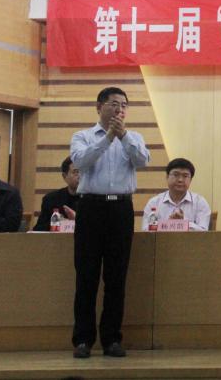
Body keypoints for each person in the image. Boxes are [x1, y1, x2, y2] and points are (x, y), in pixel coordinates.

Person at [69, 86, 150, 359]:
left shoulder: (134, 137)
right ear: (99, 106)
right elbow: (81, 162)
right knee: (86, 276)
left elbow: (142, 161)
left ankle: (112, 339)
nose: (120, 109)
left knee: (116, 277)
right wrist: (108, 139)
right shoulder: (82, 136)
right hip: (91, 208)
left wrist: (123, 136)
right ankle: (83, 340)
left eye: (124, 105)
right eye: (114, 103)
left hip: (121, 209)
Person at [141, 157, 212, 231]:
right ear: (167, 177)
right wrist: (169, 224)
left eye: (185, 176)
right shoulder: (154, 203)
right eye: (176, 175)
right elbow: (146, 230)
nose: (180, 180)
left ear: (190, 180)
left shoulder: (200, 202)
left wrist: (182, 223)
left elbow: (203, 231)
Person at [33, 156, 80, 232]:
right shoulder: (51, 199)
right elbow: (39, 229)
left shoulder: (94, 199)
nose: (80, 176)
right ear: (64, 176)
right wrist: (57, 223)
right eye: (76, 172)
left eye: (84, 172)